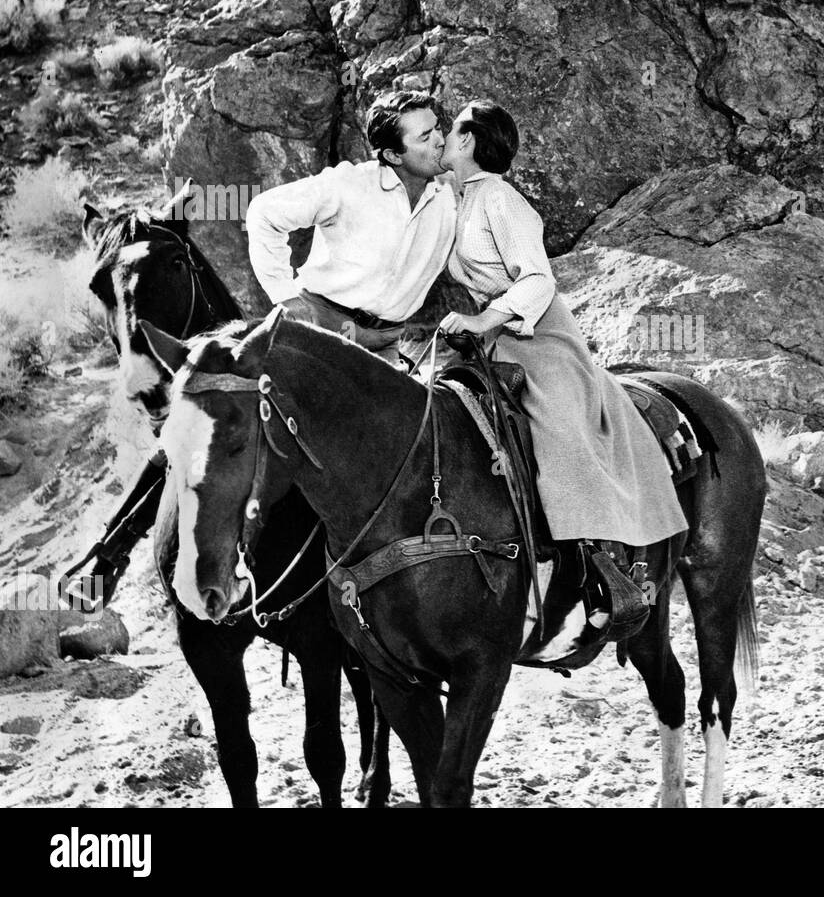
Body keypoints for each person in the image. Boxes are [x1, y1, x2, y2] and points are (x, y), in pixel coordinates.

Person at [436, 99, 688, 637]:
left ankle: (607, 568)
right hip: (489, 335)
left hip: (539, 330)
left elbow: (537, 279)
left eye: (453, 129)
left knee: (560, 427)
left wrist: (484, 320)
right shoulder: (455, 198)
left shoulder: (503, 201)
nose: (445, 138)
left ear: (470, 141)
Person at [246, 90, 457, 367]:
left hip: (385, 343)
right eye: (425, 137)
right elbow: (264, 212)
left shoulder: (452, 196)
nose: (441, 141)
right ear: (393, 155)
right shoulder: (349, 184)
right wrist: (284, 296)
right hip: (320, 327)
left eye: (438, 129)